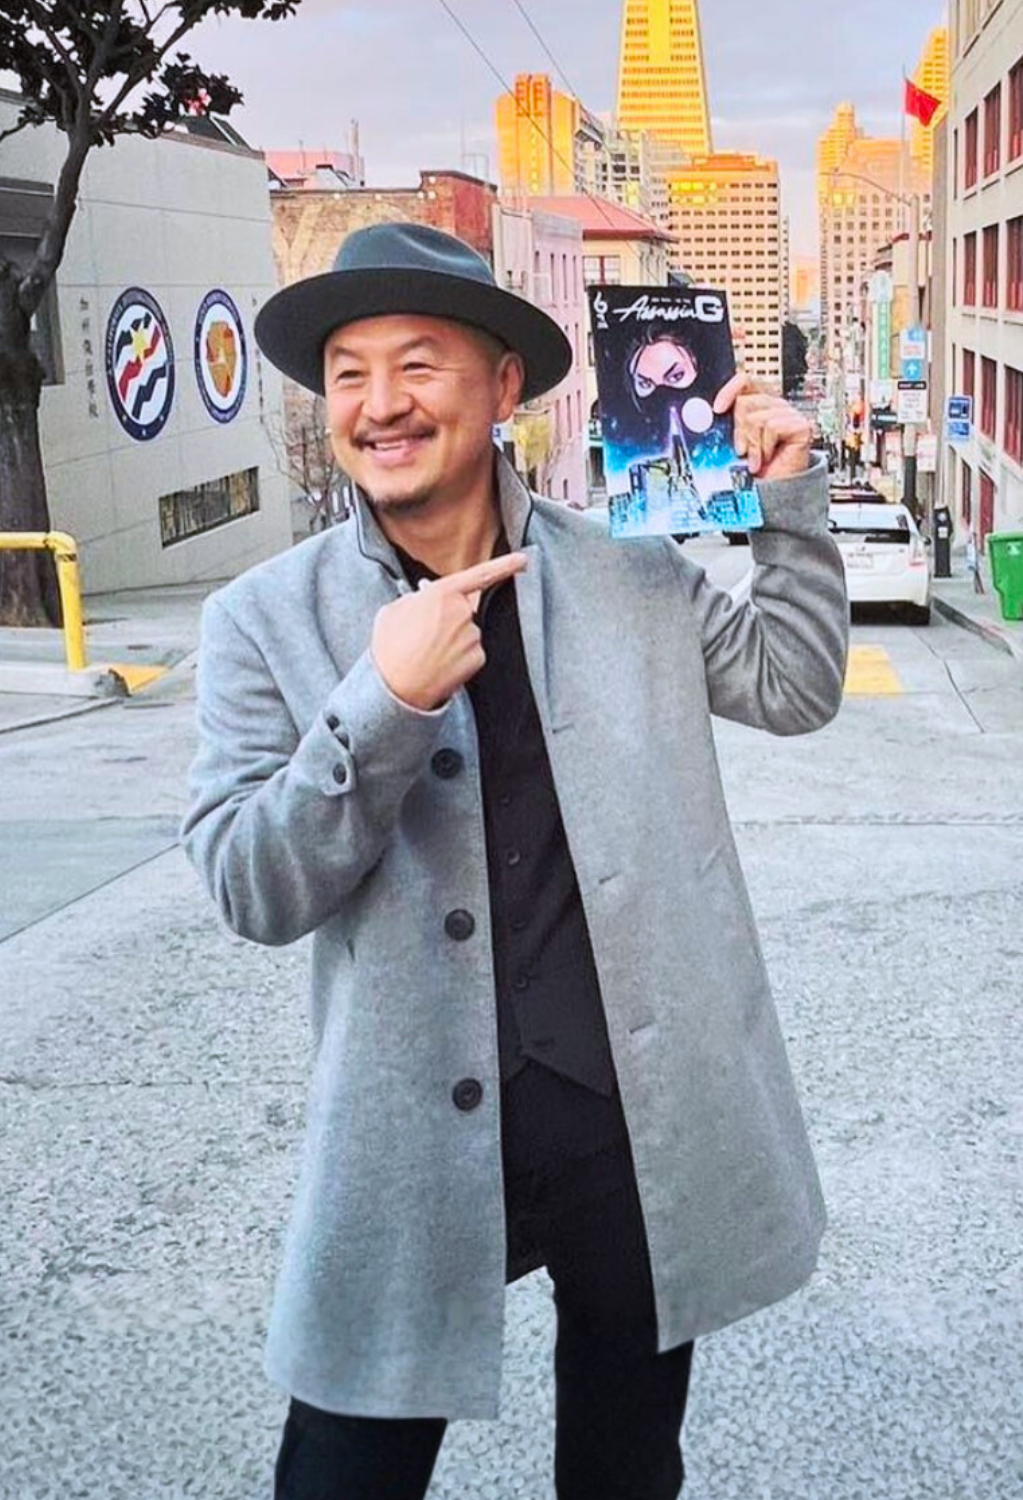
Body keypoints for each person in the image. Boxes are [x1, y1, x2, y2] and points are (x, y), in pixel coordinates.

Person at [182, 221, 849, 1500]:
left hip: (628, 1125)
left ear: (503, 390)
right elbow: (249, 885)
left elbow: (796, 682)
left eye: (420, 366)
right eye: (349, 374)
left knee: (625, 1464)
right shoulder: (263, 620)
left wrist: (786, 505)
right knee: (341, 1474)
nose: (380, 406)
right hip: (409, 1141)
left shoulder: (628, 574)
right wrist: (377, 705)